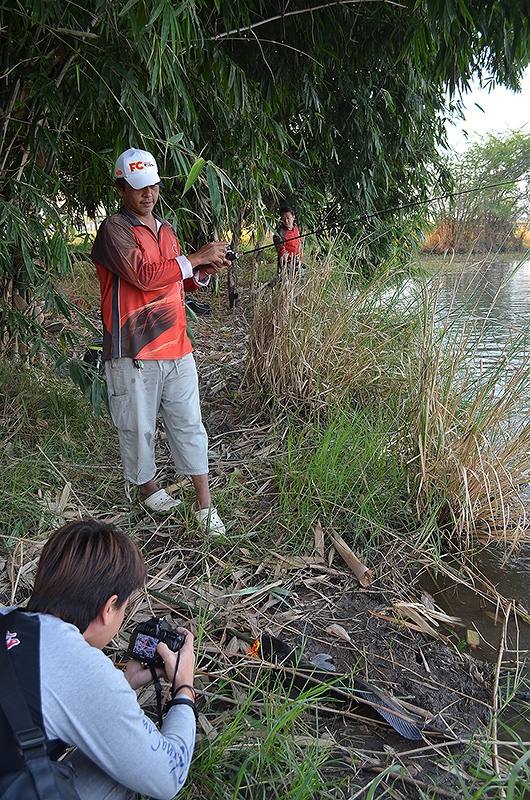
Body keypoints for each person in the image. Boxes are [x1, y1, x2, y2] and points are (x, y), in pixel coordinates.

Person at [0, 518, 197, 800]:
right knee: (125, 770)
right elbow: (168, 777)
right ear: (108, 609)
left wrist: (123, 683)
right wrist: (183, 689)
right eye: (124, 608)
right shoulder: (81, 669)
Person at [91, 148, 230, 531]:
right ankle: (149, 490)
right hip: (133, 351)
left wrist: (201, 271)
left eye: (153, 185)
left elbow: (176, 277)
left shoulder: (166, 230)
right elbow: (144, 275)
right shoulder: (114, 231)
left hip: (177, 346)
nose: (148, 194)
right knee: (138, 427)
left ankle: (204, 505)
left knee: (189, 424)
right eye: (138, 187)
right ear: (121, 188)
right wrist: (196, 256)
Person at [273, 206, 303, 277]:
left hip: (298, 259)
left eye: (288, 218)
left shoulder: (296, 227)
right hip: (287, 261)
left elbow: (299, 241)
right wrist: (283, 255)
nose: (286, 221)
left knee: (298, 280)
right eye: (283, 219)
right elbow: (280, 247)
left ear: (293, 217)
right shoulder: (280, 232)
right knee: (286, 282)